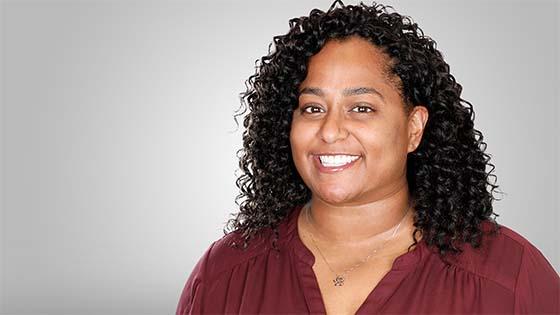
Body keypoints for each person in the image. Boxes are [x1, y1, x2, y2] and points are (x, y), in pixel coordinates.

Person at [176, 1, 560, 314]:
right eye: (312, 108)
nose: (329, 131)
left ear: (414, 127)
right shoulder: (224, 274)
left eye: (361, 108)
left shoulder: (508, 278)